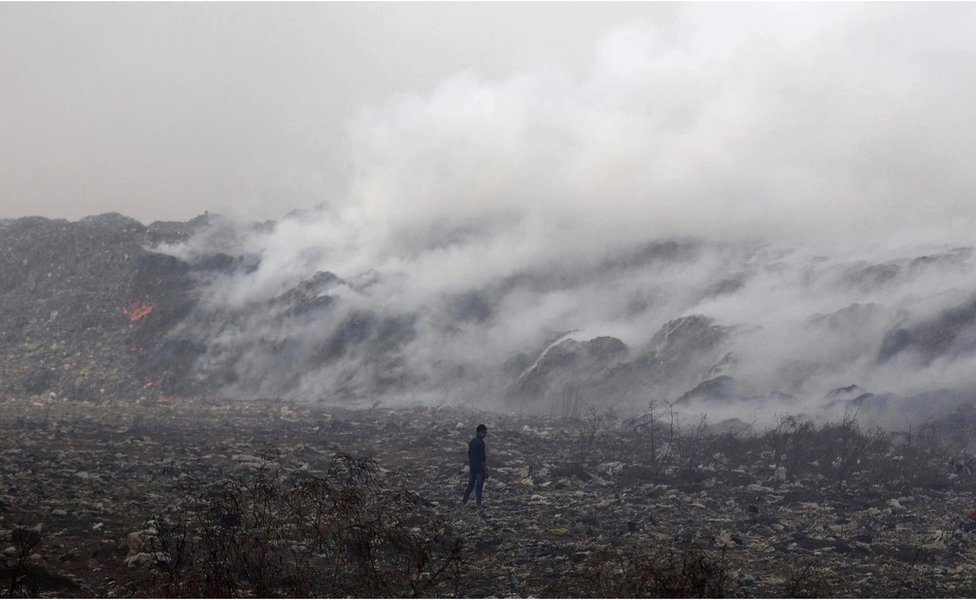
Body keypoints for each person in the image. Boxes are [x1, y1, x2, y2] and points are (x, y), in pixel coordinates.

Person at [462, 424, 488, 510]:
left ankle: (463, 502)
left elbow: (469, 454)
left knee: (470, 486)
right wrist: (485, 471)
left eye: (485, 433)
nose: (485, 435)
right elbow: (482, 458)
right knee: (478, 488)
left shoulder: (471, 442)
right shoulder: (481, 443)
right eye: (483, 433)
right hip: (479, 469)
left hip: (472, 468)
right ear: (478, 432)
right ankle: (478, 506)